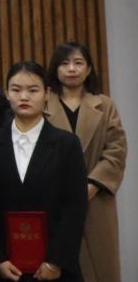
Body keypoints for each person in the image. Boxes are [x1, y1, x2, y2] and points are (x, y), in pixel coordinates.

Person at [0, 62, 87, 282]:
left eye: (33, 90)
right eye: (16, 89)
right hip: (4, 267)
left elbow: (75, 208)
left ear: (47, 94)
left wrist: (55, 261)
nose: (24, 96)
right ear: (6, 93)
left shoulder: (67, 144)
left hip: (54, 267)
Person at [43, 43, 126, 282]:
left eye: (78, 63)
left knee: (98, 269)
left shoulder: (105, 104)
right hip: (53, 197)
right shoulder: (43, 103)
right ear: (55, 69)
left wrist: (91, 185)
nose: (72, 69)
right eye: (64, 63)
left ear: (89, 69)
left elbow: (116, 151)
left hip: (95, 198)